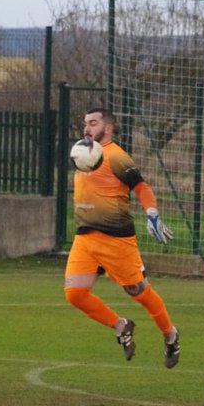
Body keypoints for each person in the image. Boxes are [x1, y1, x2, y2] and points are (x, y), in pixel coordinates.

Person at [64, 107, 181, 368]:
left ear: (107, 128)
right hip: (85, 238)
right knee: (75, 293)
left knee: (138, 291)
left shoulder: (116, 156)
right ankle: (121, 326)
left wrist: (152, 214)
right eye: (85, 123)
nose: (86, 128)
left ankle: (170, 334)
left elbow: (141, 187)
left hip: (116, 240)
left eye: (93, 123)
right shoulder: (82, 154)